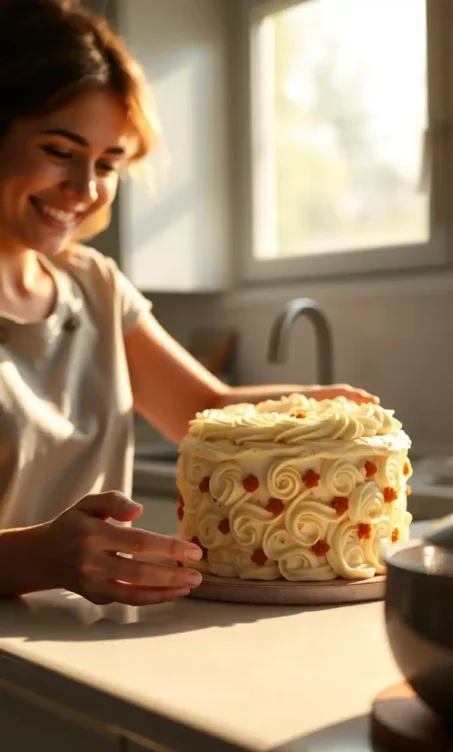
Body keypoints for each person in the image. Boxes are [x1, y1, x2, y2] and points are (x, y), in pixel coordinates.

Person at [0, 0, 377, 606]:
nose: (86, 189)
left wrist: (330, 409)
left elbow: (205, 409)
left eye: (107, 164)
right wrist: (37, 557)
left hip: (88, 643)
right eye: (60, 151)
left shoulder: (95, 285)